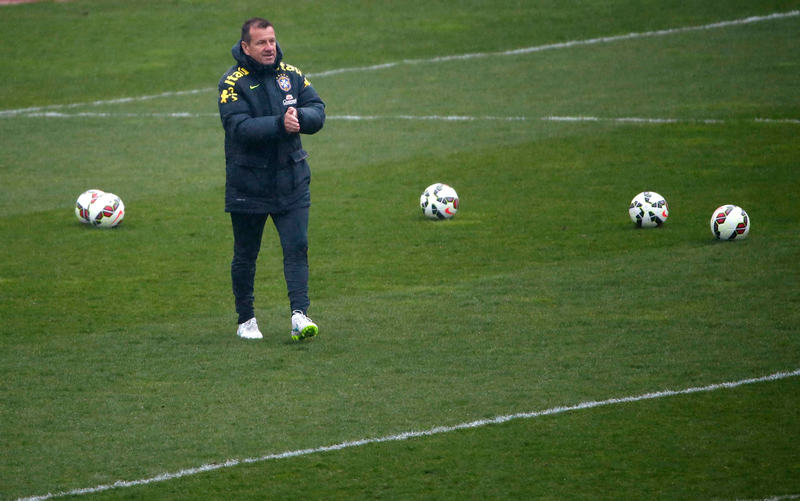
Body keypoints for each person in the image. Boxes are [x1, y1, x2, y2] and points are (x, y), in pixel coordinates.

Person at [218, 17, 326, 341]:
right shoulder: (232, 83)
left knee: (297, 247)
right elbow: (239, 128)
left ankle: (299, 315)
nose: (270, 47)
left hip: (291, 179)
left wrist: (301, 118)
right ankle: (246, 319)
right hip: (248, 184)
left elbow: (317, 109)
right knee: (246, 254)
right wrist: (281, 124)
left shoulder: (290, 75)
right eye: (262, 43)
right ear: (245, 47)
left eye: (272, 41)